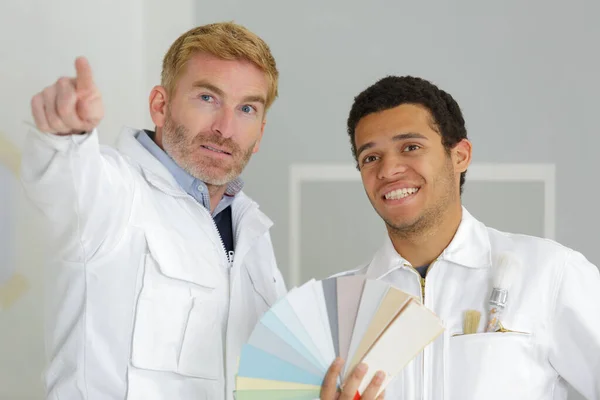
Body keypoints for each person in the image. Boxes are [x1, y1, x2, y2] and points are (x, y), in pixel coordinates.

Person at [22, 22, 287, 400]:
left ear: (259, 133)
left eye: (246, 108)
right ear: (160, 106)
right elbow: (68, 188)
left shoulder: (252, 232)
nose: (225, 128)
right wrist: (64, 138)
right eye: (207, 98)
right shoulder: (116, 193)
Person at [321, 76, 600, 400]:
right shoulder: (332, 309)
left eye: (410, 147)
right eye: (370, 157)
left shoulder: (550, 273)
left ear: (460, 155)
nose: (388, 170)